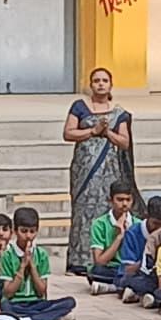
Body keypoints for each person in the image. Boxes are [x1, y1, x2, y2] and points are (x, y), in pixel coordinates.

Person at [63, 68, 135, 254]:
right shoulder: (80, 107)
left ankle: (106, 256)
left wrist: (107, 132)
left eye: (104, 80)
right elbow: (68, 133)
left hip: (109, 171)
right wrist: (92, 131)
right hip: (84, 170)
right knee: (82, 211)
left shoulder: (119, 113)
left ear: (111, 85)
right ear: (90, 85)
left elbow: (124, 142)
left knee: (108, 209)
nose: (100, 84)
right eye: (96, 81)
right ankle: (80, 259)